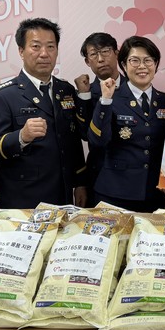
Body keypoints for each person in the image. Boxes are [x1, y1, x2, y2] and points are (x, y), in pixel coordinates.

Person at [0, 17, 88, 330]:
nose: (44, 53)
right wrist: (22, 137)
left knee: (55, 275)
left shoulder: (64, 91)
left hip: (63, 200)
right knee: (18, 277)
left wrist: (80, 183)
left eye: (50, 46)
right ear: (21, 50)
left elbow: (72, 144)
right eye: (36, 46)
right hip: (23, 203)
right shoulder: (3, 94)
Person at [88, 35, 165, 211]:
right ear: (124, 65)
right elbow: (97, 141)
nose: (142, 66)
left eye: (148, 60)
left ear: (156, 64)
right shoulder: (110, 98)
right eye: (134, 60)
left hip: (153, 193)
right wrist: (105, 101)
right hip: (115, 193)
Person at [74, 32, 121, 206]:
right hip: (99, 177)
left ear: (117, 53)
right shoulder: (85, 92)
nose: (100, 59)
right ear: (88, 61)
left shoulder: (135, 88)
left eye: (105, 51)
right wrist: (84, 96)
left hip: (136, 178)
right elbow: (84, 134)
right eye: (94, 54)